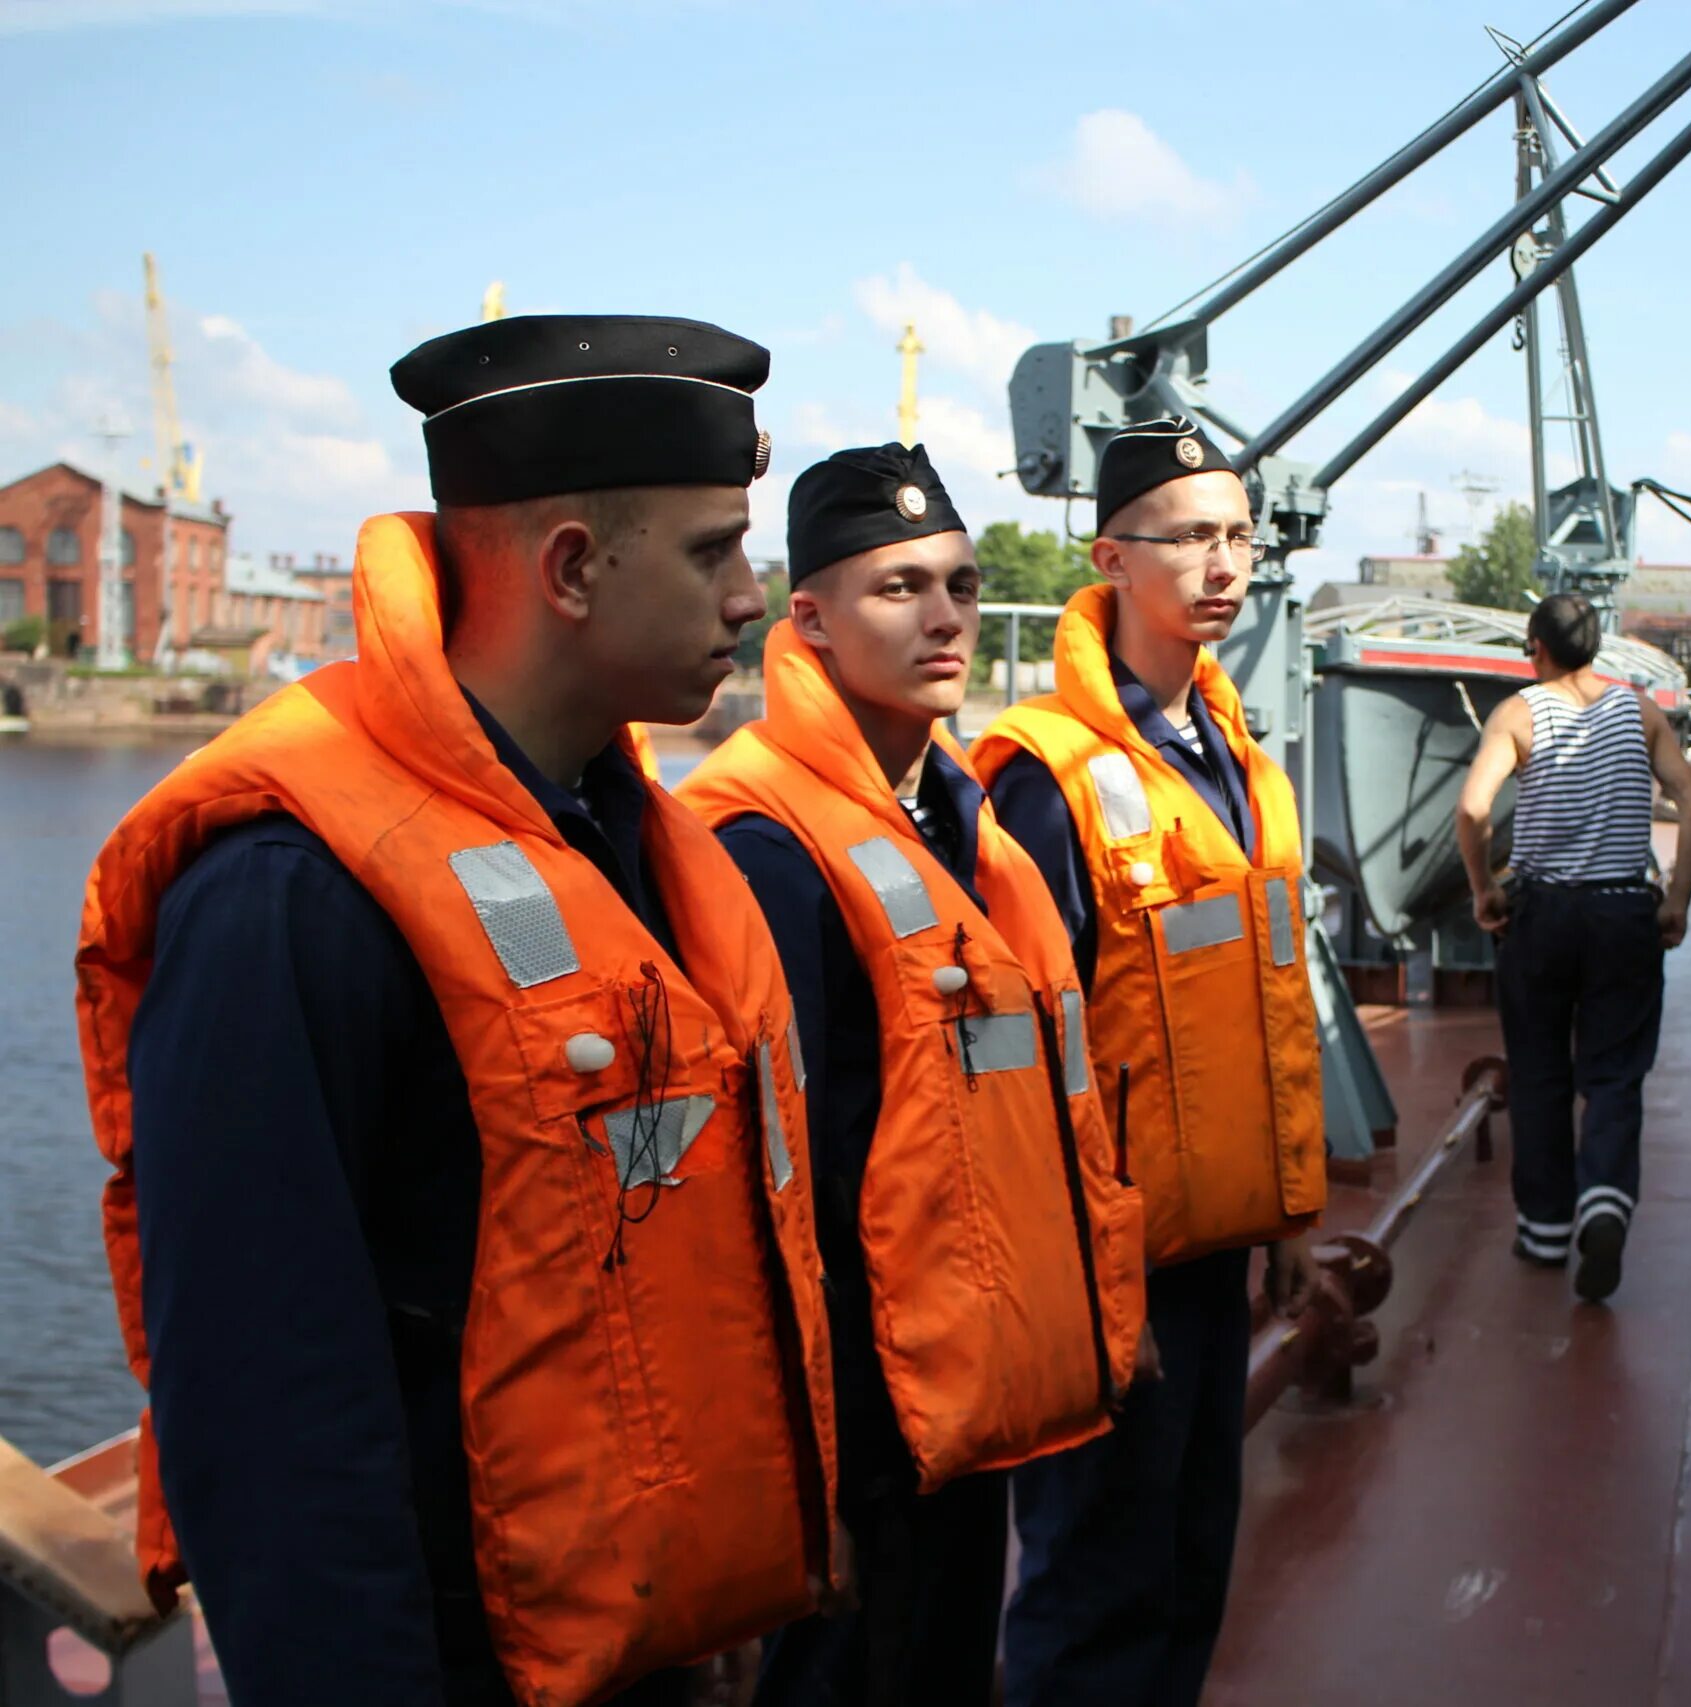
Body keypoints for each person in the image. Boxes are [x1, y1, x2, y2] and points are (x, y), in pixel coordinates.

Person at [74, 315, 843, 1707]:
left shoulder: (630, 849)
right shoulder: (289, 898)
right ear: (569, 567)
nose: (752, 599)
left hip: (640, 1640)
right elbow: (274, 1424)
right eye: (712, 550)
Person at [675, 442, 1145, 1705]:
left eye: (960, 583)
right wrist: (801, 1472)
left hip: (962, 1395)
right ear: (809, 622)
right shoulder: (767, 846)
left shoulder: (956, 820)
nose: (944, 615)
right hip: (866, 1429)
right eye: (898, 588)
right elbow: (773, 1196)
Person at [973, 416, 1327, 1707]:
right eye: (1191, 536)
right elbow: (1018, 1059)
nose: (1225, 562)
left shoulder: (1235, 761)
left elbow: (1267, 1014)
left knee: (1185, 1570)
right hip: (1102, 1268)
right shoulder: (1047, 777)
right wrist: (1078, 1286)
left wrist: (1286, 1211)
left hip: (1211, 1248)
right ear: (1112, 556)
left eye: (1240, 534)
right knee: (1092, 1589)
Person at [1455, 591, 1691, 1302]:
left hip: (1541, 916)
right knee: (1615, 1070)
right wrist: (1678, 897)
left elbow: (1473, 809)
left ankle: (1544, 1227)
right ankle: (1603, 1199)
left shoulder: (1518, 713)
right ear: (1596, 647)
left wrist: (1485, 889)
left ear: (1536, 648)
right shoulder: (1641, 711)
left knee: (1539, 1070)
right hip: (1623, 912)